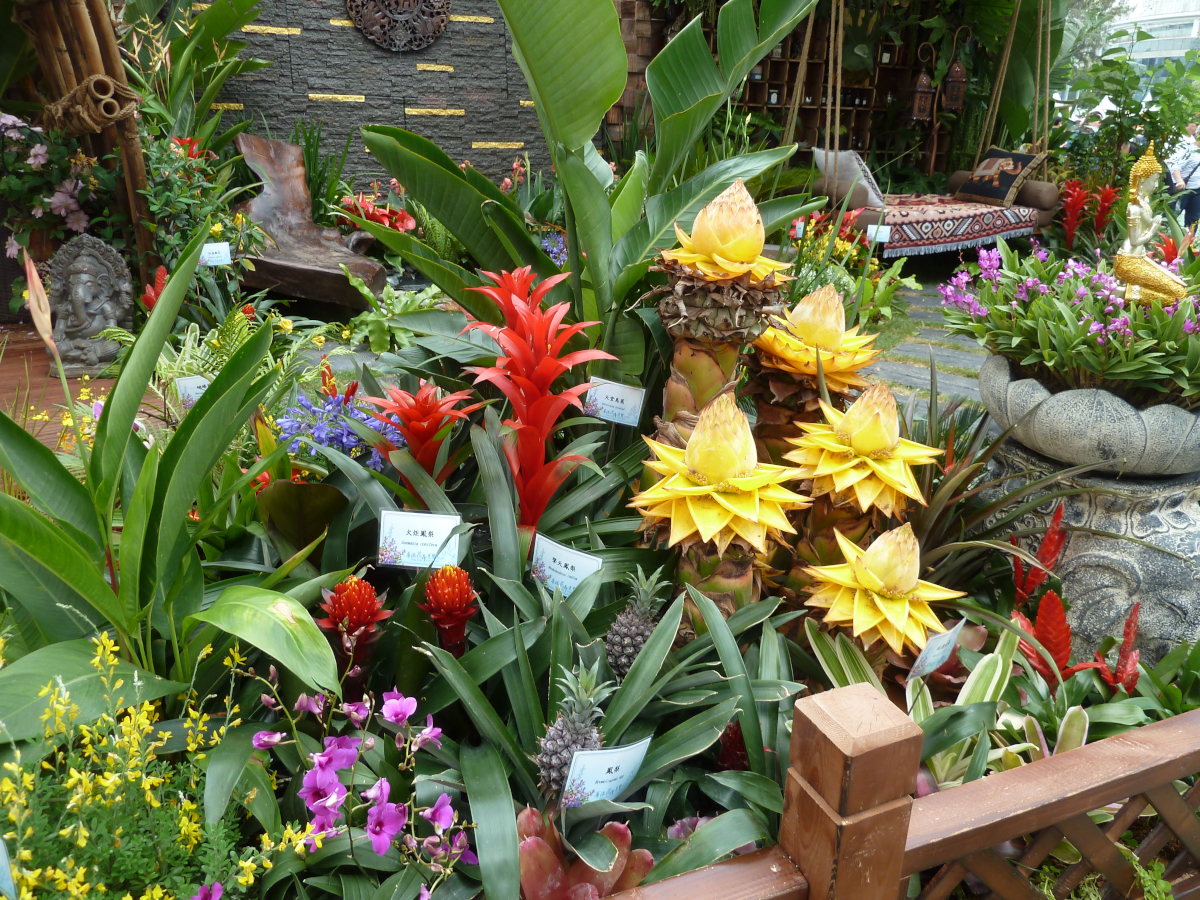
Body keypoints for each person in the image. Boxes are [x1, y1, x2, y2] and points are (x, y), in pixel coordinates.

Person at [1167, 121, 1200, 227]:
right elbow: (1175, 165)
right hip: (1184, 189)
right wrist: (1179, 180)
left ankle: (1189, 242)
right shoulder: (1188, 149)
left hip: (1197, 190)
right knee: (1172, 217)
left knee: (1194, 220)